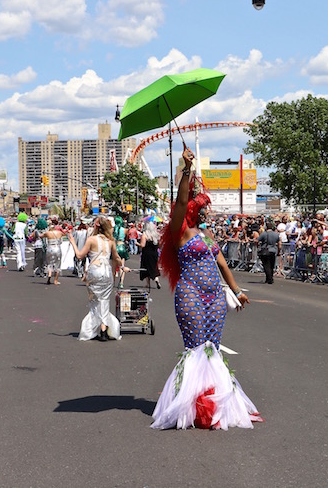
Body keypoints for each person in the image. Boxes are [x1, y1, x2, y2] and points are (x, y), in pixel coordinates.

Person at [151, 146, 261, 430]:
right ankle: (191, 406)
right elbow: (179, 201)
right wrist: (187, 170)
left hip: (215, 297)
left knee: (212, 349)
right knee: (196, 349)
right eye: (200, 207)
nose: (204, 211)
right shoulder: (180, 231)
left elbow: (223, 265)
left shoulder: (207, 235)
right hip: (191, 294)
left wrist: (237, 291)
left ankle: (213, 404)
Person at [67, 217, 130, 341]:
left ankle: (95, 328)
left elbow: (80, 256)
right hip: (107, 272)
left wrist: (73, 242)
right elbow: (117, 258)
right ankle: (103, 328)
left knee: (95, 300)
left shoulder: (91, 240)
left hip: (94, 271)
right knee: (105, 300)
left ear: (95, 227)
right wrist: (123, 267)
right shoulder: (111, 241)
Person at [139, 221, 161, 290]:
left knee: (146, 267)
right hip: (154, 253)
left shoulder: (145, 235)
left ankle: (148, 283)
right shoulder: (156, 235)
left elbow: (142, 245)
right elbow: (159, 245)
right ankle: (156, 278)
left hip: (147, 253)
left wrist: (137, 244)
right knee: (154, 266)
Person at [43, 217, 64, 285]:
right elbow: (64, 237)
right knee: (57, 264)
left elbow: (40, 236)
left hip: (49, 249)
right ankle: (55, 280)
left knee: (49, 263)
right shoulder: (59, 233)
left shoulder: (48, 233)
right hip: (57, 248)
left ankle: (49, 274)